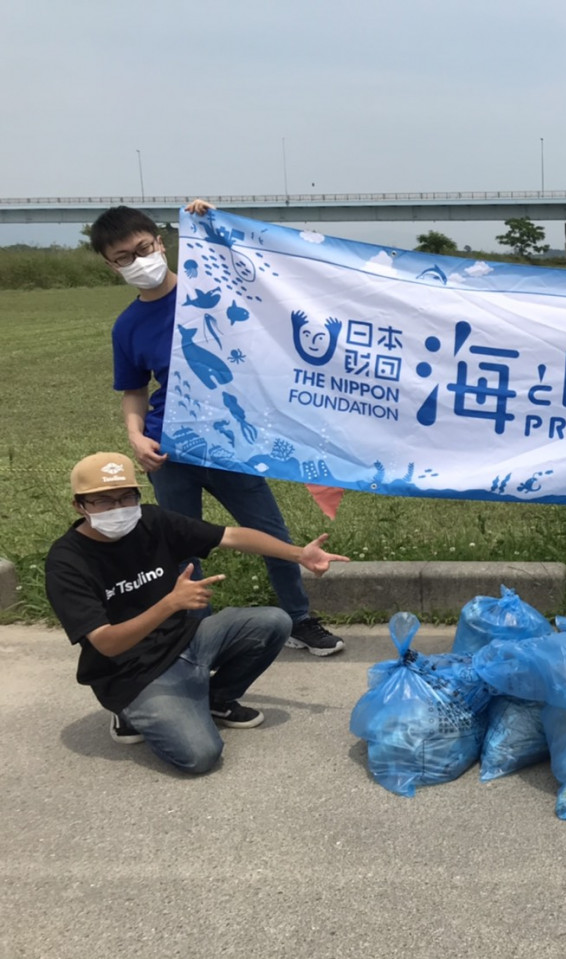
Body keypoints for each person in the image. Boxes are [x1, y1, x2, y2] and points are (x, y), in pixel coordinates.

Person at [89, 201, 346, 656]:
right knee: (182, 548)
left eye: (142, 248)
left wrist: (210, 218)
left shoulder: (209, 288)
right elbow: (133, 390)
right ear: (110, 266)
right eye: (122, 258)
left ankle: (299, 620)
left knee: (269, 531)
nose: (137, 261)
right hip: (170, 452)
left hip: (231, 441)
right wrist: (135, 436)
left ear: (160, 242)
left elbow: (254, 269)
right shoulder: (127, 327)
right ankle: (196, 634)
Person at [45, 452, 351, 774]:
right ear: (79, 506)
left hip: (183, 639)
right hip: (129, 672)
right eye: (103, 502)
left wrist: (298, 554)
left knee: (274, 621)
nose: (118, 509)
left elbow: (230, 535)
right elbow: (105, 643)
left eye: (126, 497)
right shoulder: (67, 562)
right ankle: (129, 711)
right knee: (201, 755)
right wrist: (170, 604)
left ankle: (217, 699)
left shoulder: (152, 521)